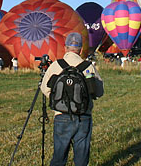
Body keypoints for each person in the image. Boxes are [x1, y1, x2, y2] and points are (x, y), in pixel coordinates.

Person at [41, 32, 104, 166]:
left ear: (65, 48)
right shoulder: (88, 67)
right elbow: (99, 92)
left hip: (61, 115)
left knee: (59, 156)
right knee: (81, 158)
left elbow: (45, 88)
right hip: (83, 116)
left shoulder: (56, 66)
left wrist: (59, 99)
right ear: (81, 50)